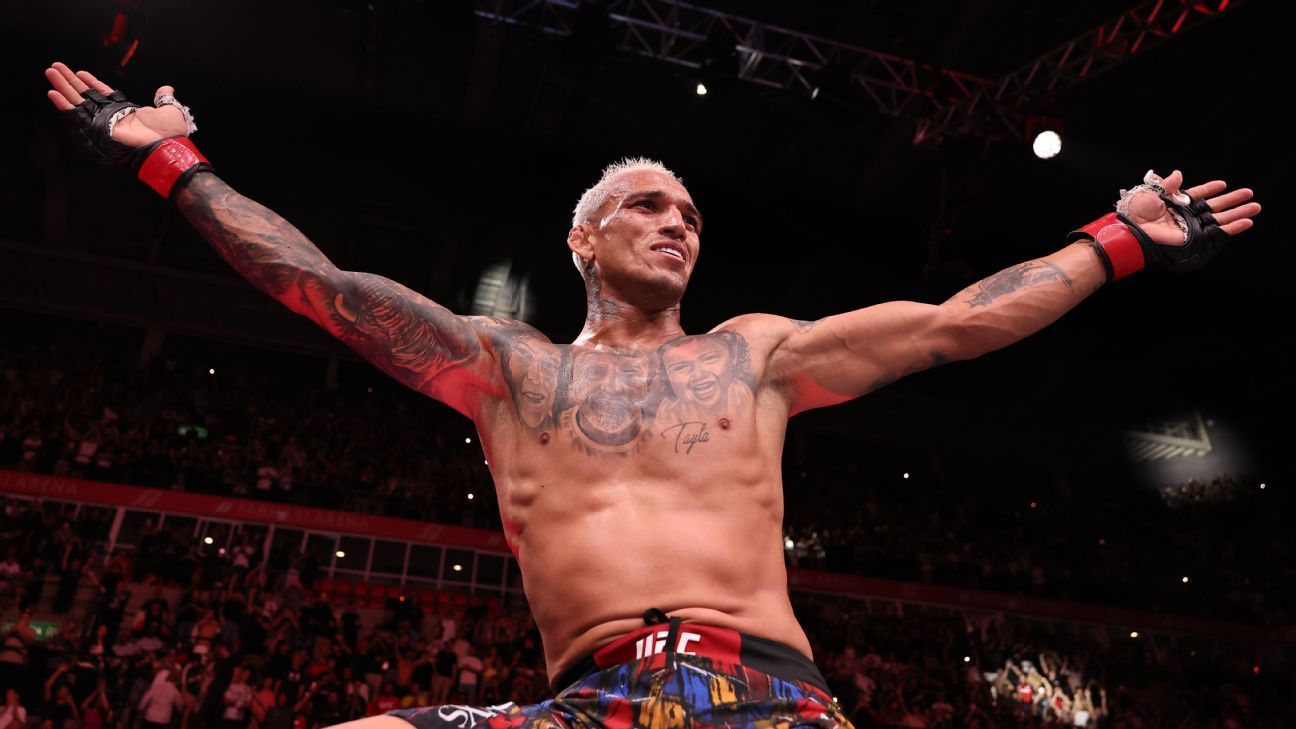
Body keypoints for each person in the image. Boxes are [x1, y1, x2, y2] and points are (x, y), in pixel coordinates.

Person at [42, 61, 1261, 729]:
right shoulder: (509, 367)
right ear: (583, 238)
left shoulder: (756, 355)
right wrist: (170, 160)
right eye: (647, 206)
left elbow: (958, 323)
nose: (678, 223)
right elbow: (318, 286)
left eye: (690, 213)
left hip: (766, 700)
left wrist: (1121, 240)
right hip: (595, 705)